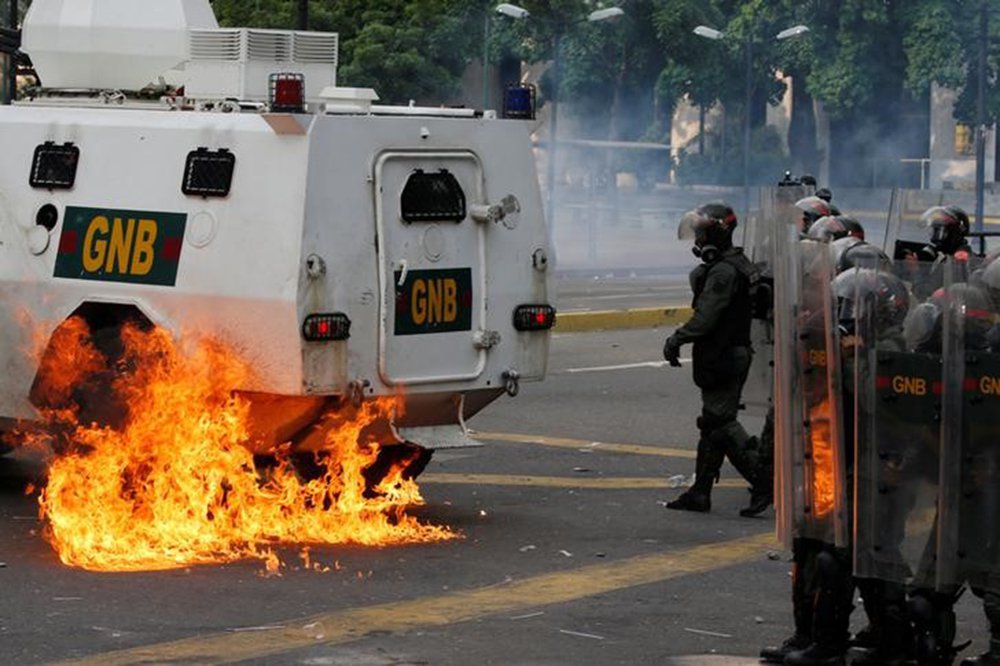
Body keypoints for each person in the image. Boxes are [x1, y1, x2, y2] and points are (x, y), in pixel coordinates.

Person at [662, 202, 767, 515]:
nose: (697, 239)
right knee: (711, 424)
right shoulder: (735, 263)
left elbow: (706, 317)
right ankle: (700, 492)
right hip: (729, 351)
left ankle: (764, 482)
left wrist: (677, 338)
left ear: (717, 233)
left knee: (721, 423)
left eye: (701, 232)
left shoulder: (723, 271)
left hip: (723, 353)